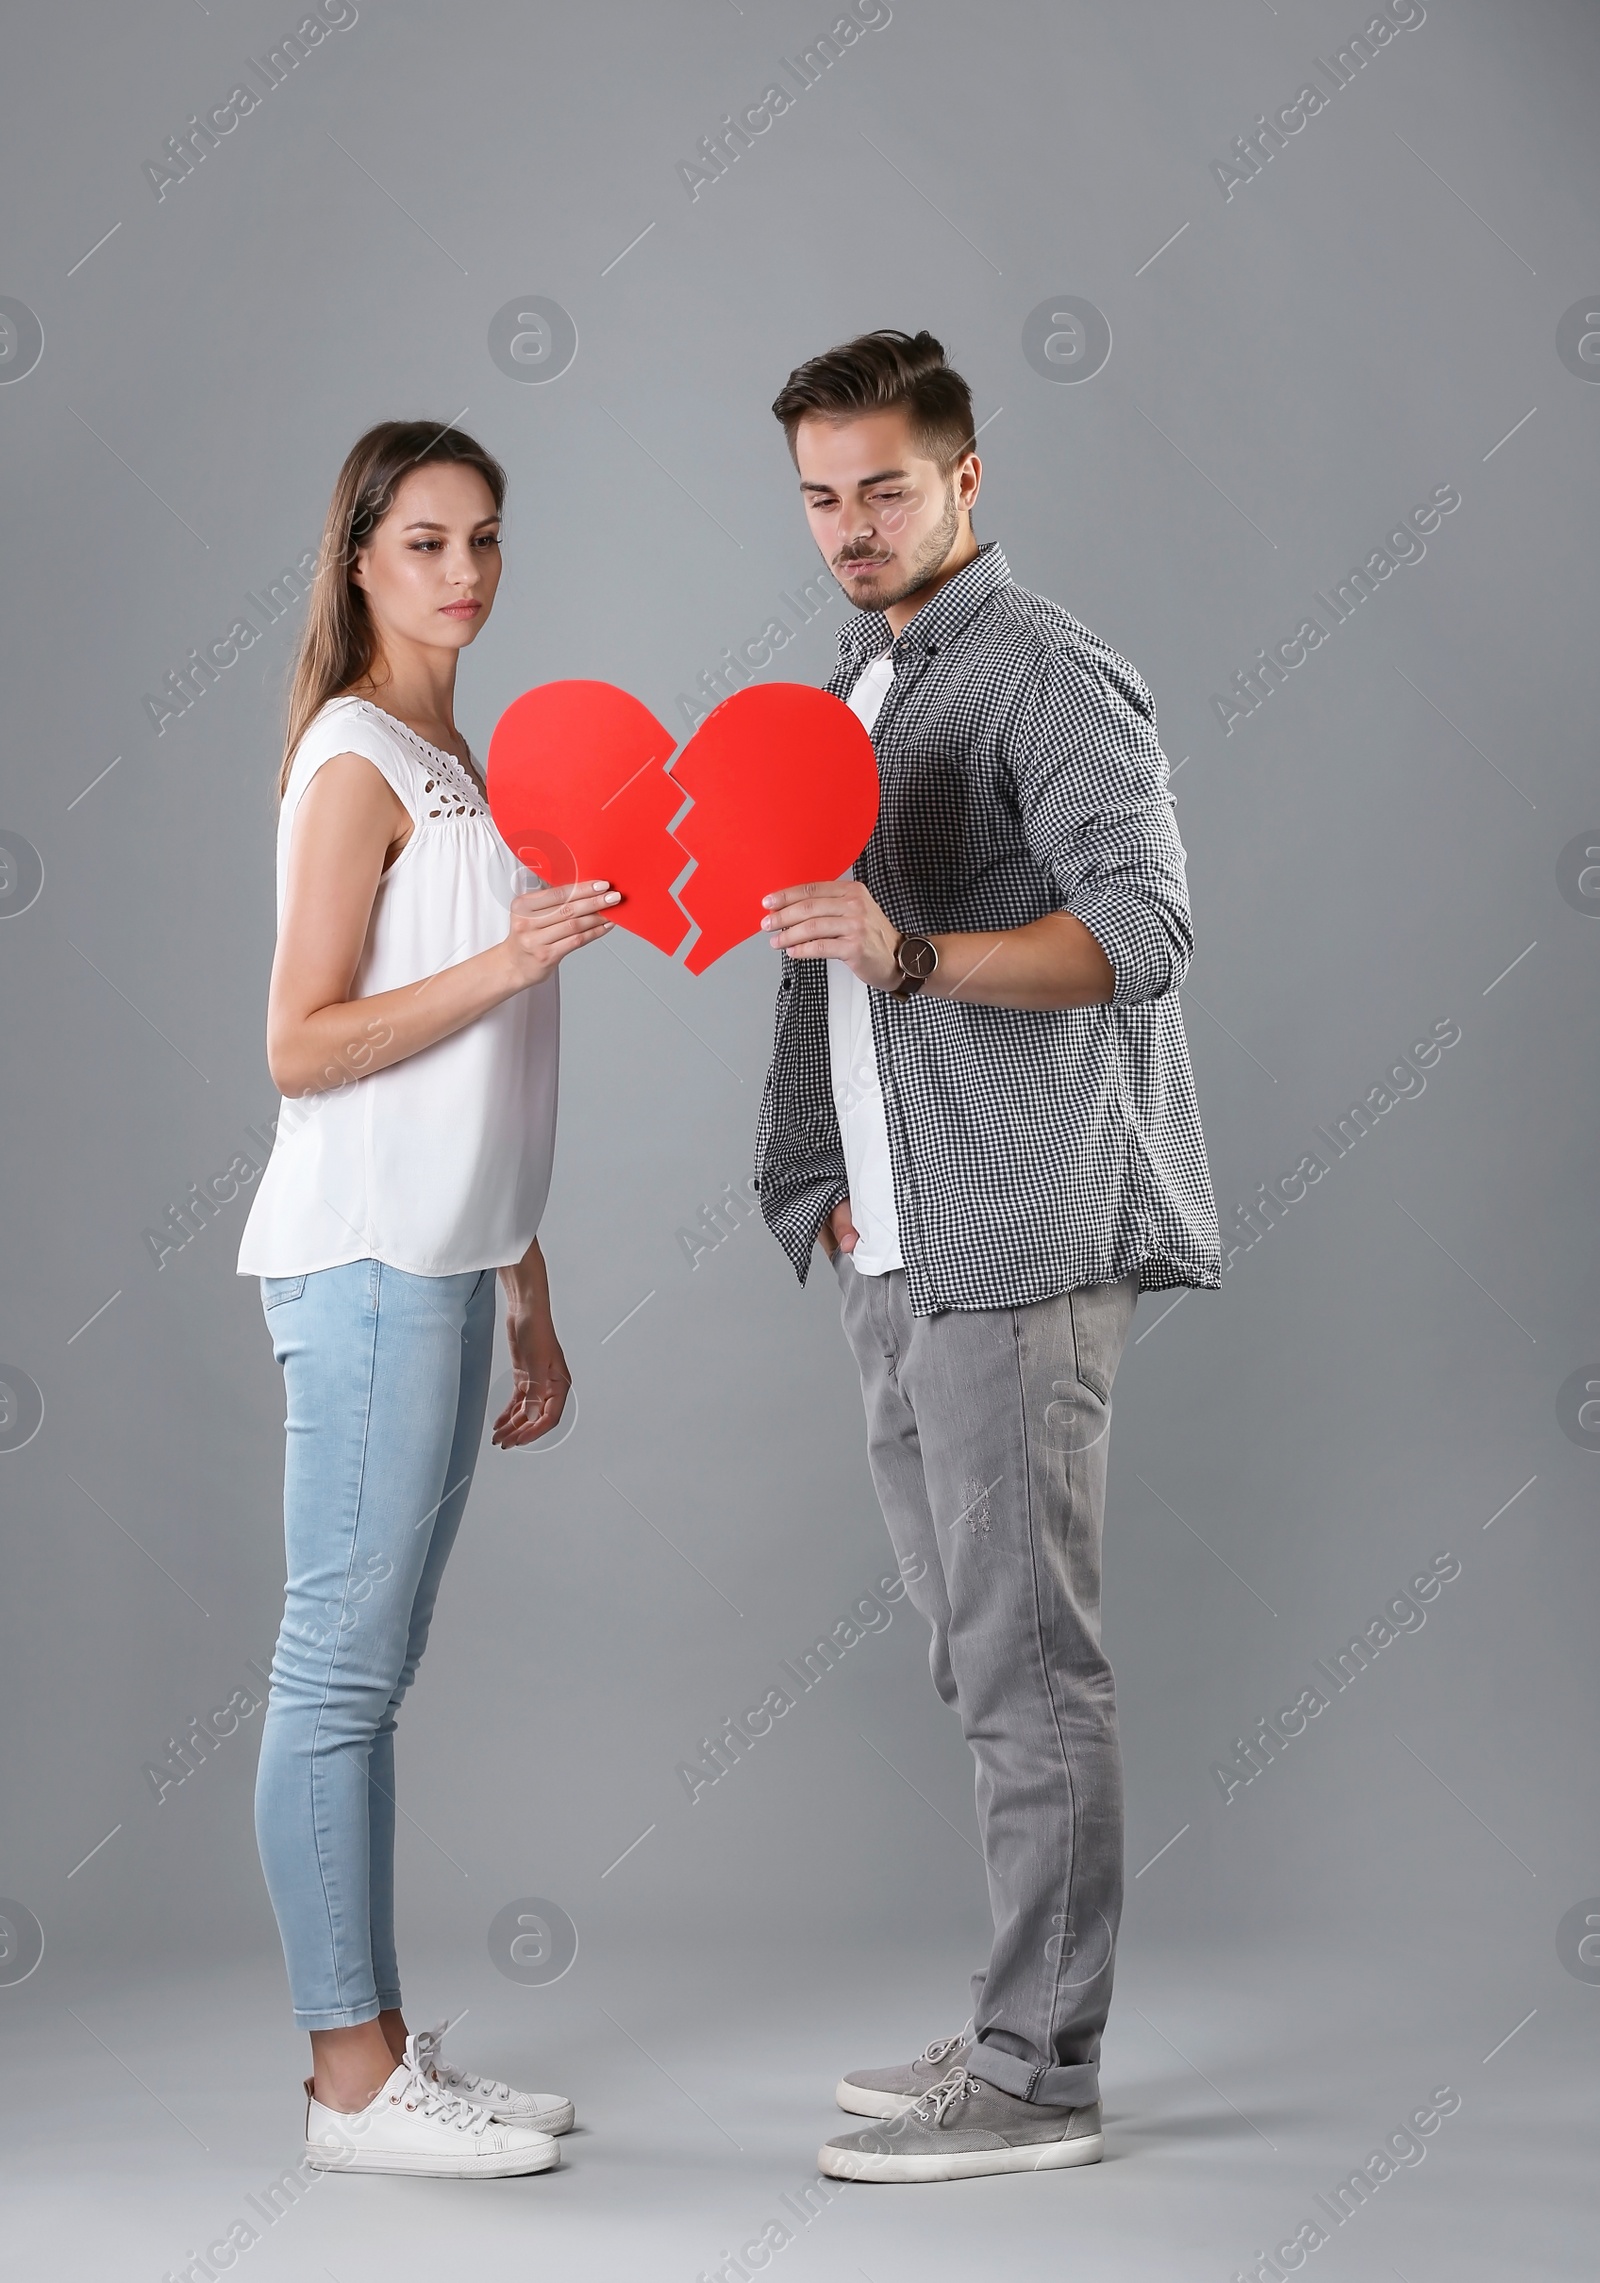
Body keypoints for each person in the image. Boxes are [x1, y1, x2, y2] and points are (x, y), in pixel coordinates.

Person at [754, 331, 1220, 2183]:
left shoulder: (1042, 673)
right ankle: (1025, 2015)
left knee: (1034, 1664)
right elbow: (826, 933)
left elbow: (1150, 928)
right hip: (905, 1230)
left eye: (884, 486)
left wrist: (916, 953)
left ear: (967, 477)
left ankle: (1040, 2075)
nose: (850, 527)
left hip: (1020, 1228)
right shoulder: (858, 679)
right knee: (982, 1647)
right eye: (819, 496)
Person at [237, 420, 620, 2178]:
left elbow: (491, 1064)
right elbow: (304, 1046)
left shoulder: (455, 751)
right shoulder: (355, 760)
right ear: (361, 561)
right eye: (424, 544)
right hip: (367, 1256)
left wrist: (526, 1280)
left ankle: (378, 2052)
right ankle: (348, 2089)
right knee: (336, 1671)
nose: (463, 573)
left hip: (448, 1256)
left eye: (484, 540)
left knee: (370, 1679)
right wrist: (510, 952)